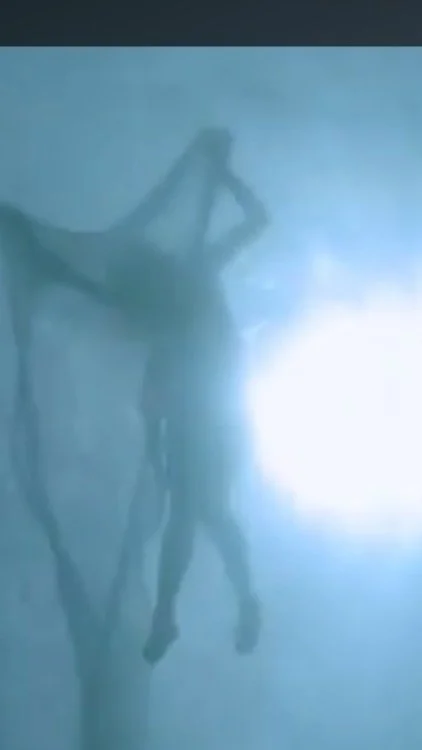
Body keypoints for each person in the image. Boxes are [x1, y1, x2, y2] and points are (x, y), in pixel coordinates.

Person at [141, 129, 269, 665]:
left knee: (203, 510)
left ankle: (202, 607)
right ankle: (183, 610)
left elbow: (257, 220)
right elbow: (152, 391)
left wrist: (223, 176)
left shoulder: (194, 274)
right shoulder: (160, 314)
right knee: (200, 512)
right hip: (199, 414)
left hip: (213, 409)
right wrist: (154, 442)